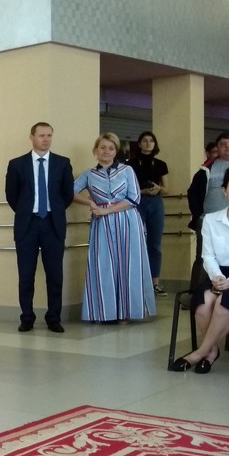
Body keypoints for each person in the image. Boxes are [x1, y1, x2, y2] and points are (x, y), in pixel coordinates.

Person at [72, 132, 156, 322]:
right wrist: (90, 203)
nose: (106, 151)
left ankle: (127, 312)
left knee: (128, 264)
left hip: (127, 221)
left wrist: (106, 211)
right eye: (102, 147)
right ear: (95, 150)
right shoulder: (89, 174)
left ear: (116, 151)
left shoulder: (127, 170)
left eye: (111, 148)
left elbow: (134, 198)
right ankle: (104, 312)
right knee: (103, 265)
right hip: (102, 225)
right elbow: (69, 191)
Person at [5, 122, 74, 333]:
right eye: (42, 135)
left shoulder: (62, 163)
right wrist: (27, 211)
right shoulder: (17, 164)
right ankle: (27, 317)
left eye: (49, 135)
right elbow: (12, 196)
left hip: (53, 224)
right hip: (28, 224)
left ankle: (54, 317)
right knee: (26, 275)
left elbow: (67, 194)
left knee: (55, 275)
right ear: (32, 137)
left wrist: (54, 211)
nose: (46, 139)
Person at [170, 168, 229, 373]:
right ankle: (212, 351)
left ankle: (200, 353)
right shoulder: (210, 220)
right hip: (217, 274)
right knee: (203, 305)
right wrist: (218, 278)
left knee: (223, 303)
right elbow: (208, 256)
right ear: (224, 190)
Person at [127, 131, 169, 297]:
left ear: (155, 144)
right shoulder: (130, 164)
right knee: (135, 241)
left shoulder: (160, 164)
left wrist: (158, 189)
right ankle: (136, 281)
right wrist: (142, 191)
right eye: (144, 141)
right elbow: (126, 188)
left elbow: (166, 189)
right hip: (137, 201)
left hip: (156, 202)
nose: (148, 143)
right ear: (139, 144)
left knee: (155, 243)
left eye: (151, 141)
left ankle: (155, 283)